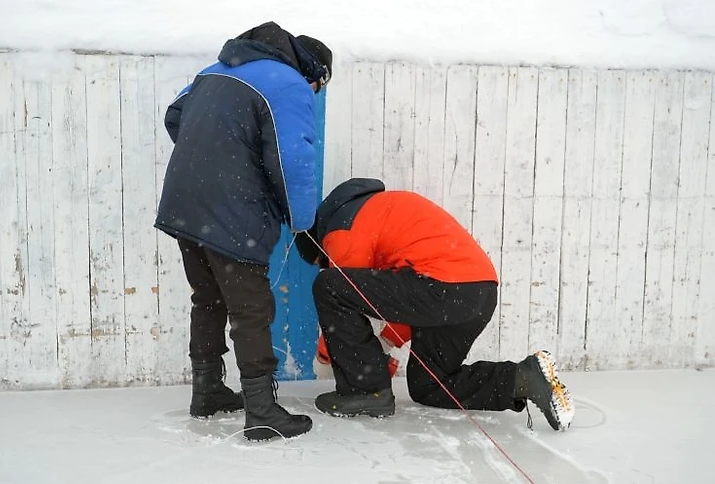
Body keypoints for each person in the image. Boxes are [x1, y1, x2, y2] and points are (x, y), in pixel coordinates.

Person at [154, 21, 332, 441]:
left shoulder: (216, 69)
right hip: (231, 210)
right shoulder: (288, 84)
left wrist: (219, 157)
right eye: (318, 87)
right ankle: (262, 410)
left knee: (209, 298)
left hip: (185, 203)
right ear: (314, 74)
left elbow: (175, 115)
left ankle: (208, 391)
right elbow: (294, 160)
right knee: (251, 308)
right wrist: (303, 221)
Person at [295, 178, 574, 431]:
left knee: (329, 285)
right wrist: (386, 343)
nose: (328, 262)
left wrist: (327, 356)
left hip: (442, 287)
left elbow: (347, 291)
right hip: (477, 293)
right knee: (430, 385)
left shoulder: (342, 229)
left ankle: (366, 392)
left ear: (319, 243)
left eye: (323, 260)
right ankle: (522, 378)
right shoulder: (380, 210)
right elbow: (402, 299)